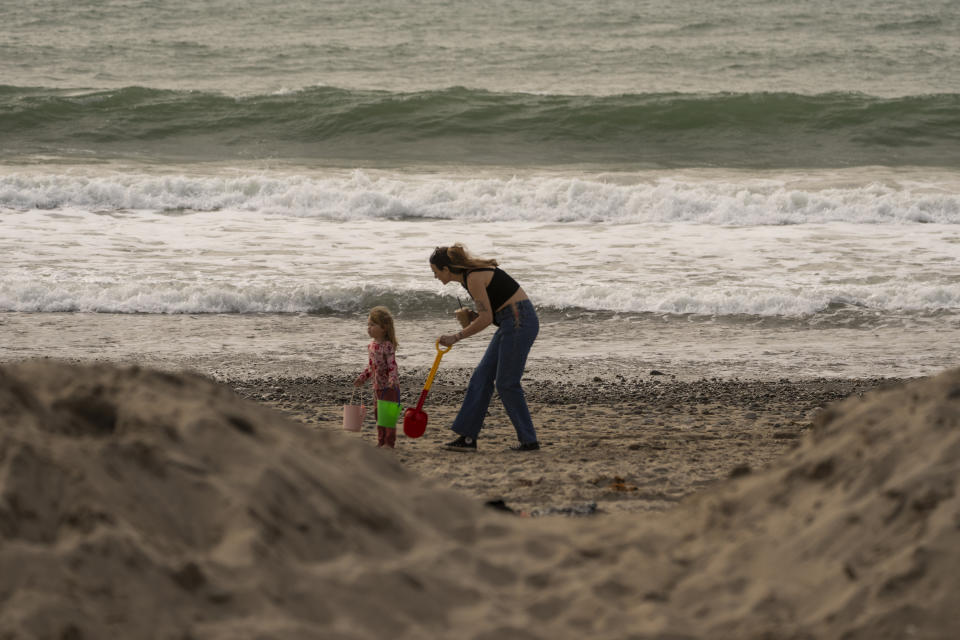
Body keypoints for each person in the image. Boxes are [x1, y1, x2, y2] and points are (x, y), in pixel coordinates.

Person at [430, 244, 540, 452]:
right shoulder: (468, 279)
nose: (435, 276)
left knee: (507, 383)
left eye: (435, 271)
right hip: (510, 321)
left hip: (519, 320)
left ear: (446, 269)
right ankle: (468, 439)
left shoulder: (472, 278)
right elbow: (489, 313)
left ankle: (529, 440)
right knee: (481, 377)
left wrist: (457, 336)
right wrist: (474, 318)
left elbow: (487, 318)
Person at [354, 306, 401, 448]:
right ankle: (381, 441)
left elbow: (392, 365)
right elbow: (370, 367)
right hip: (377, 387)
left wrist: (392, 380)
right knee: (378, 415)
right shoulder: (371, 346)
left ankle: (389, 442)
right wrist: (362, 377)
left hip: (389, 387)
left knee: (388, 416)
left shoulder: (387, 346)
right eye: (368, 324)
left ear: (384, 328)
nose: (369, 328)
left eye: (373, 325)